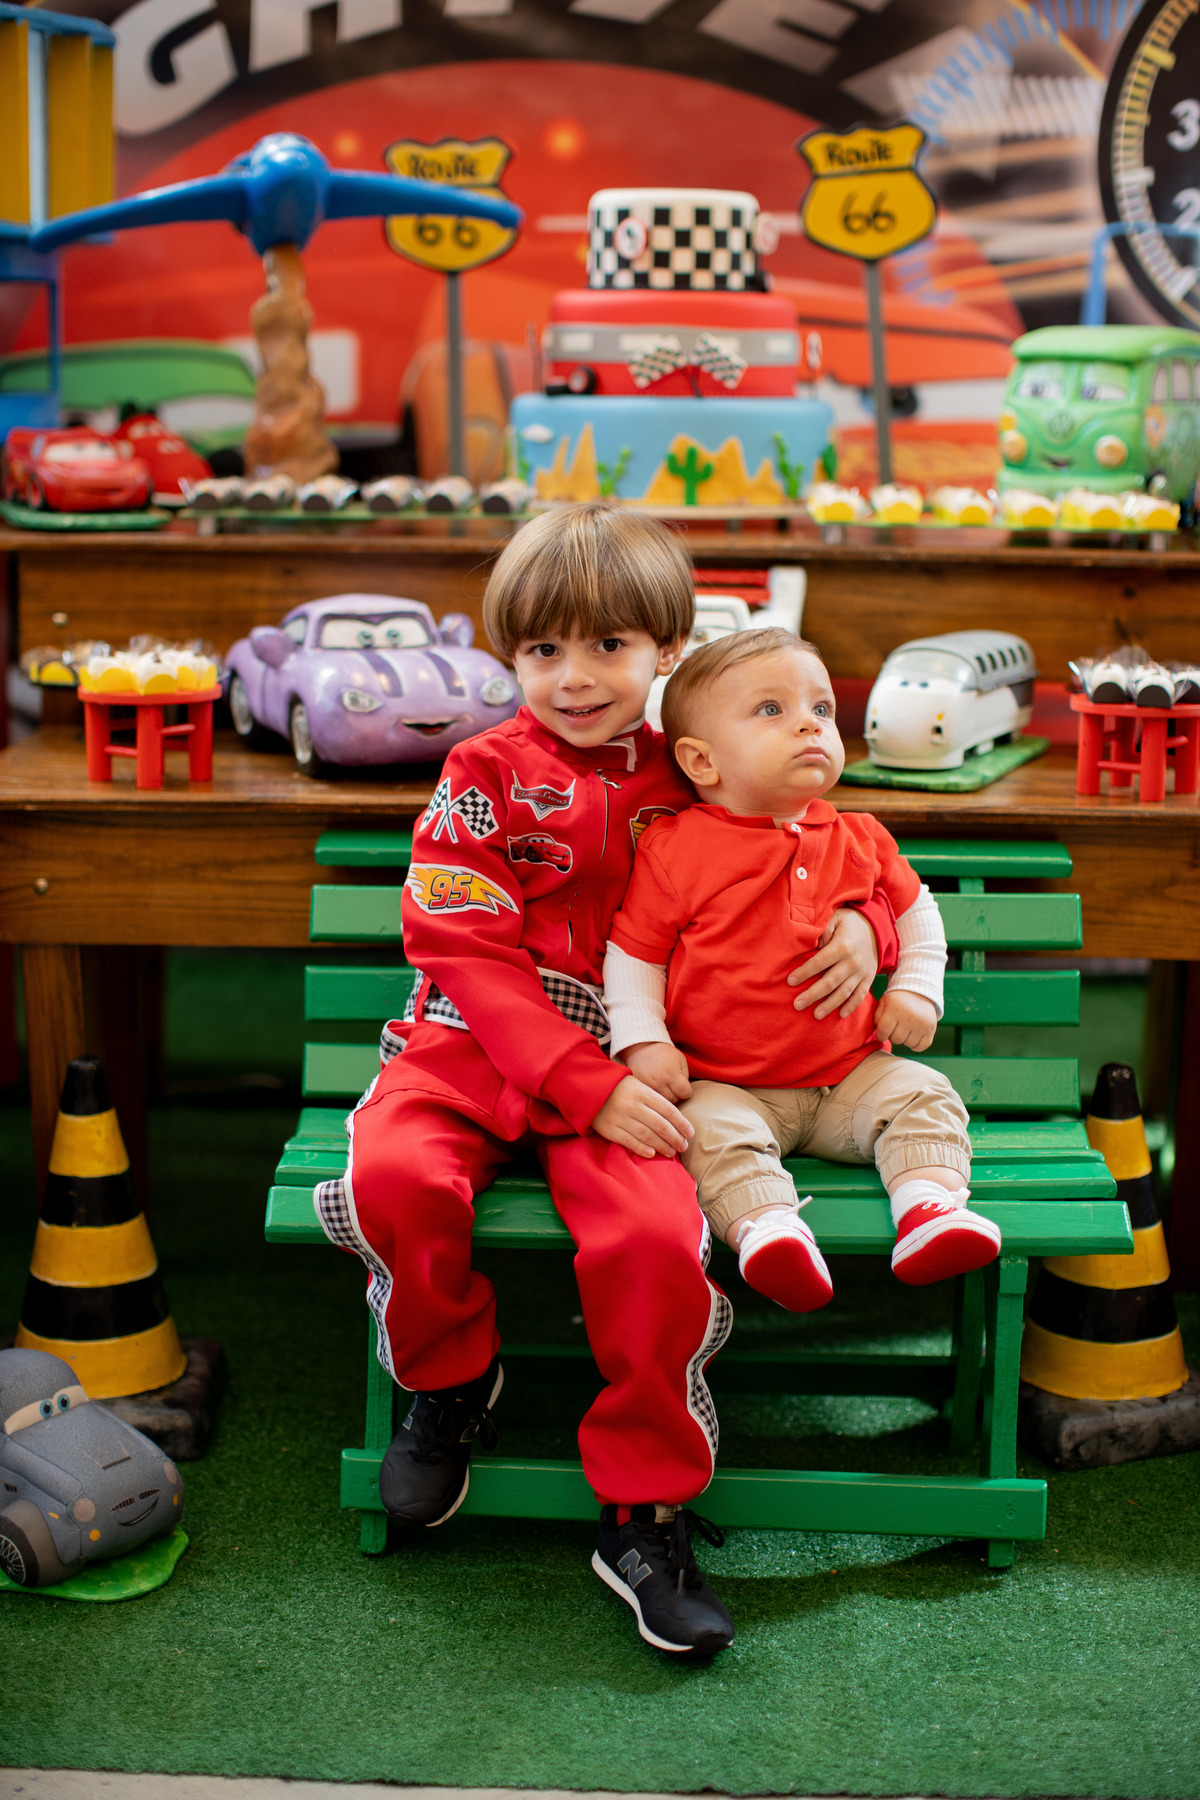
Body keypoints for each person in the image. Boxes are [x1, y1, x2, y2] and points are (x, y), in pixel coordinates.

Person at [315, 507, 880, 1655]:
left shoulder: (702, 762)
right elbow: (460, 947)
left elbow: (818, 844)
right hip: (478, 1038)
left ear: (667, 648)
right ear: (510, 655)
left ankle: (644, 1506)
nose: (574, 679)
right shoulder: (480, 774)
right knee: (397, 1177)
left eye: (609, 647)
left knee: (653, 1244)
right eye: (542, 651)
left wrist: (868, 925)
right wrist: (576, 1079)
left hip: (647, 1052)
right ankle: (451, 1379)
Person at [605, 626, 1002, 1314]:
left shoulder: (858, 836)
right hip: (727, 1082)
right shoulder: (677, 848)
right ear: (701, 760)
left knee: (925, 1093)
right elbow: (636, 953)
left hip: (850, 1074)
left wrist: (914, 988)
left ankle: (929, 1208)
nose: (809, 727)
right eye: (772, 711)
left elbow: (918, 914)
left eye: (821, 710)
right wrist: (643, 1042)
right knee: (704, 1133)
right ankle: (767, 1228)